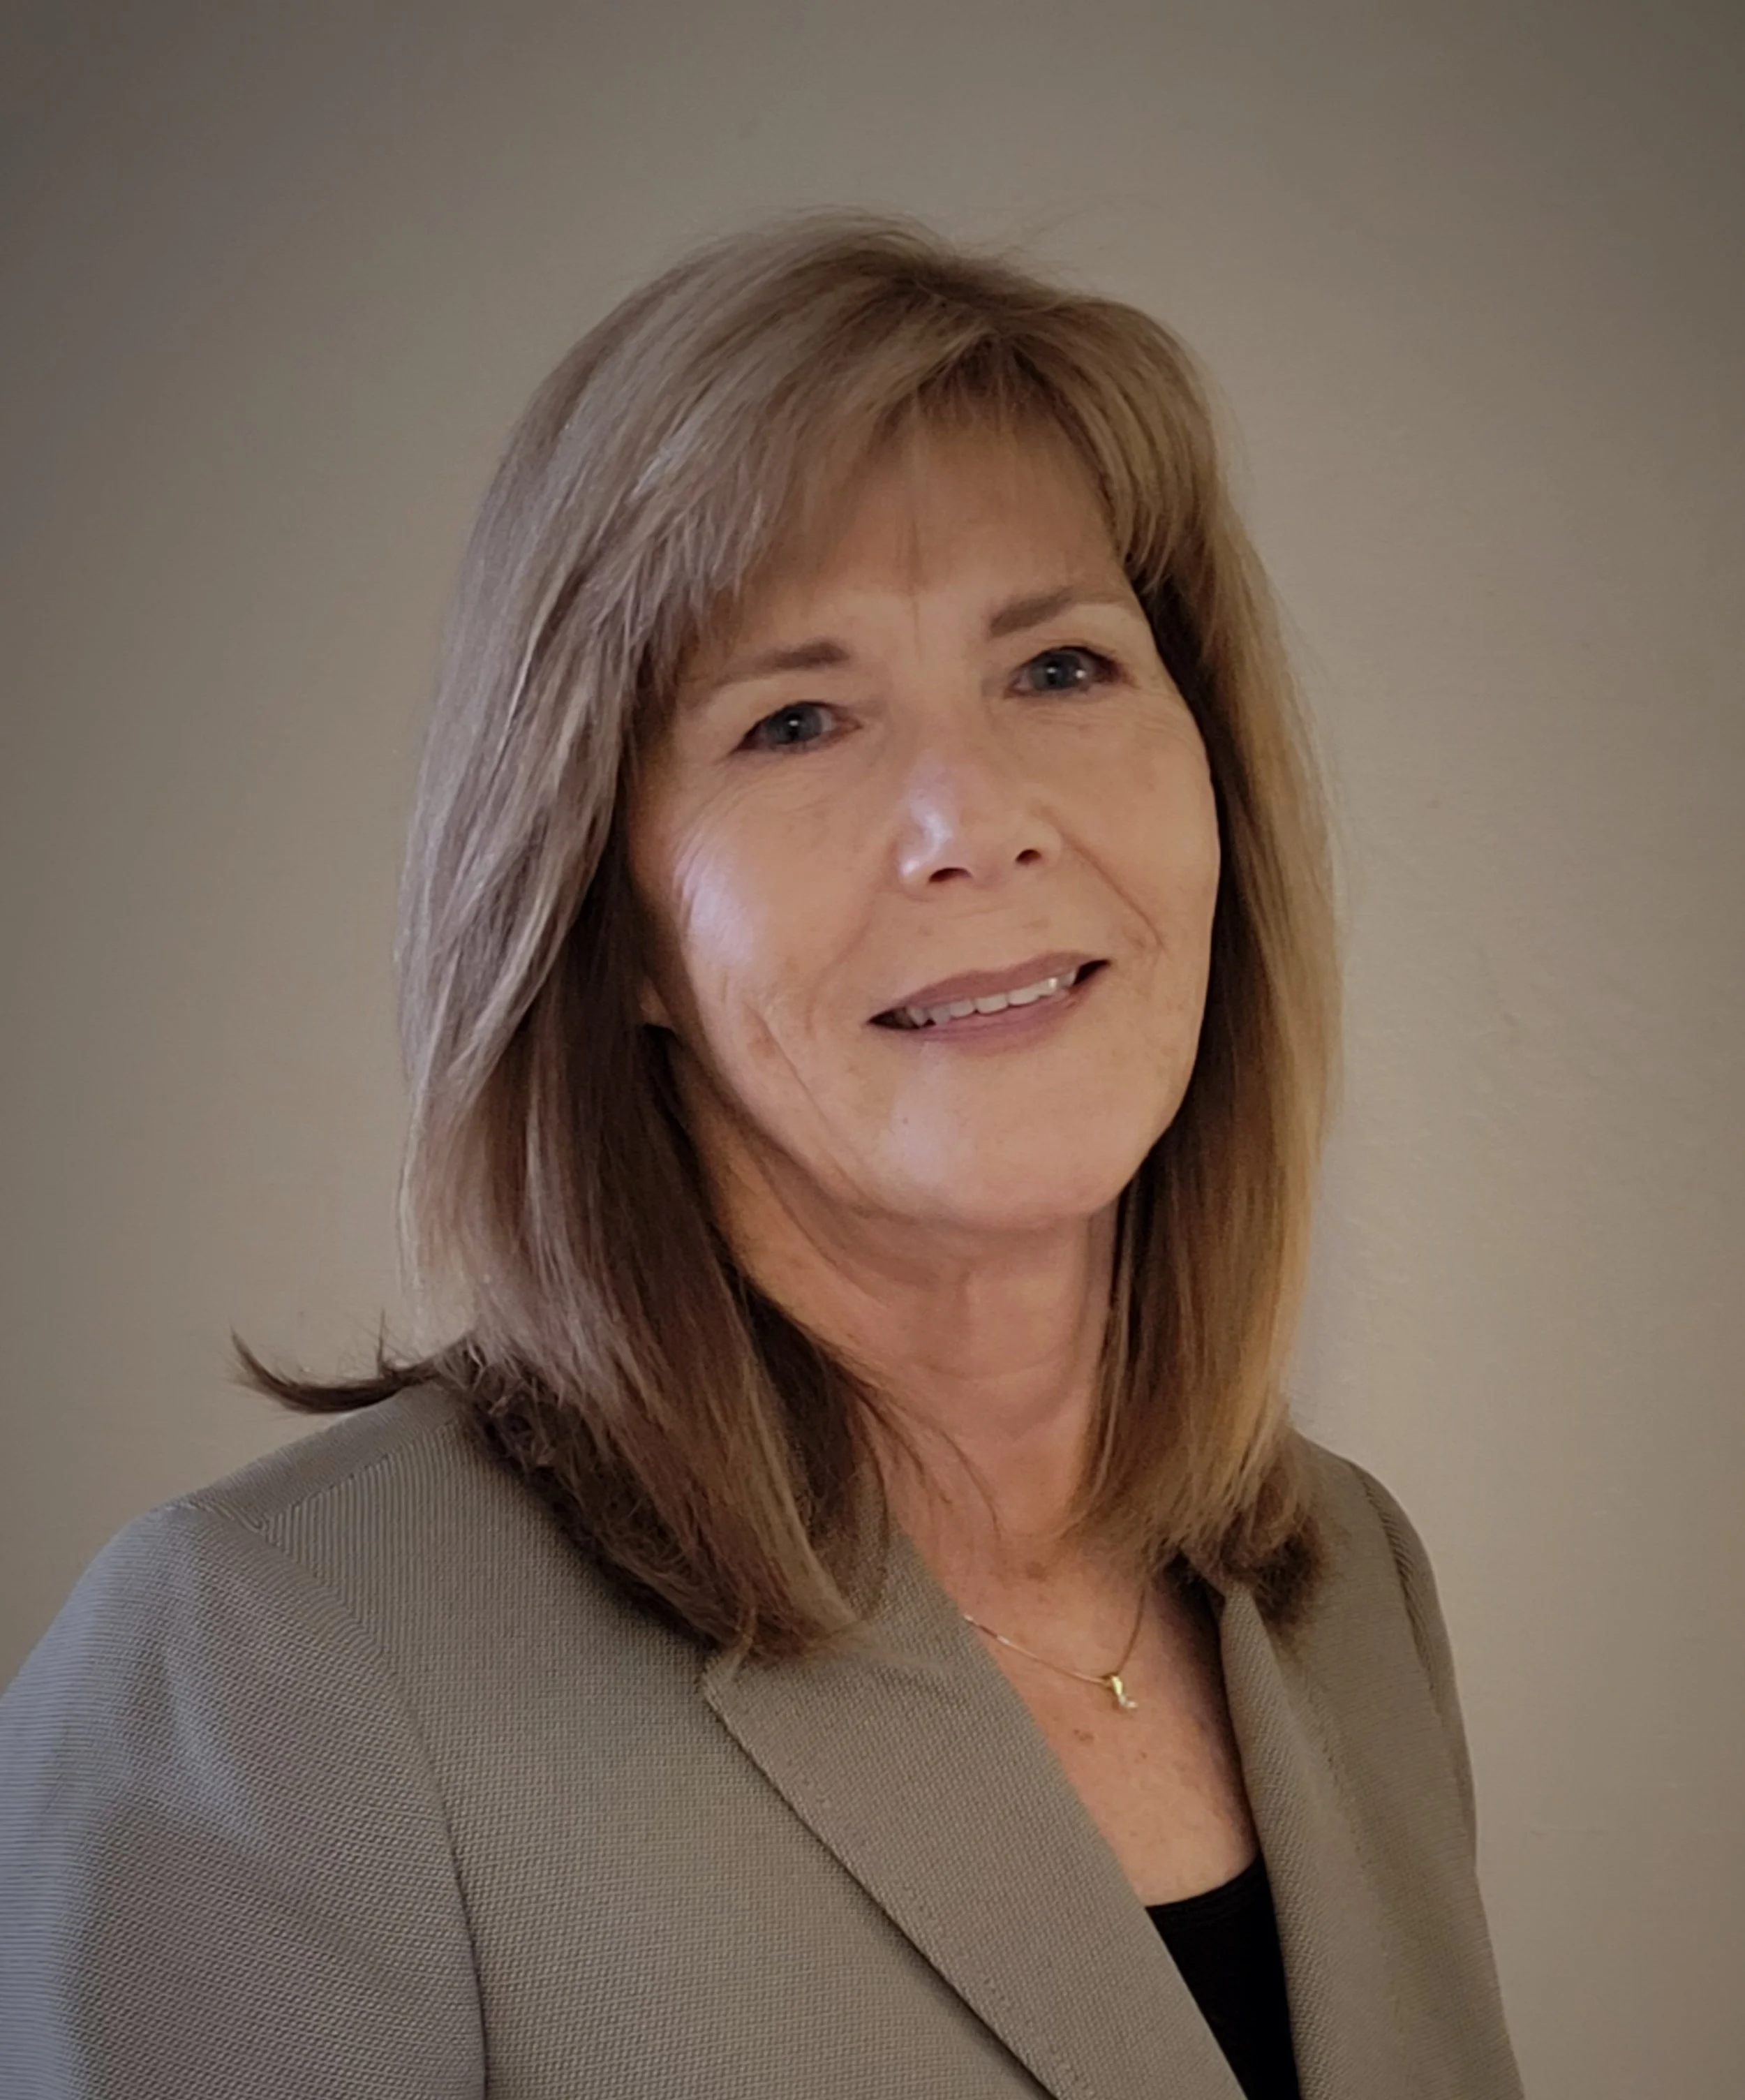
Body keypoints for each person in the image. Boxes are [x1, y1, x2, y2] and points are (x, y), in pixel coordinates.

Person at [0, 212, 1523, 2100]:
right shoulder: (269, 1672)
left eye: (1060, 667)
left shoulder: (1348, 1589)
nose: (974, 819)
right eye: (796, 719)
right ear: (611, 918)